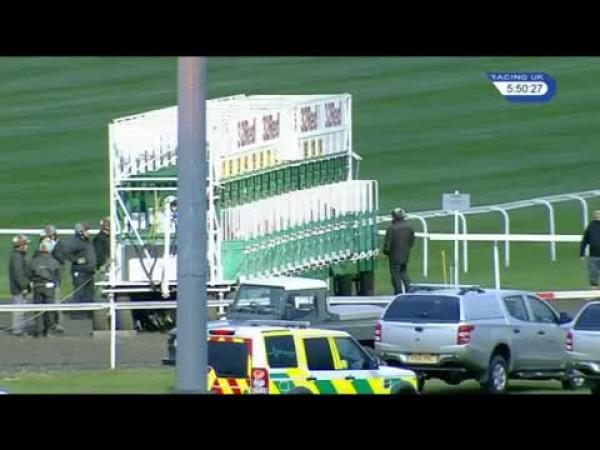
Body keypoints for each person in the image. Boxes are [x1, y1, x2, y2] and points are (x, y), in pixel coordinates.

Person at [28, 240, 62, 337]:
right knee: (49, 309)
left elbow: (29, 274)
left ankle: (39, 330)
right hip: (49, 287)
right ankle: (48, 330)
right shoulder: (54, 261)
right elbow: (58, 276)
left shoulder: (33, 261)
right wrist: (55, 283)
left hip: (37, 286)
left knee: (38, 309)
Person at [64, 222, 97, 318]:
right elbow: (65, 252)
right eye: (86, 231)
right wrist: (76, 260)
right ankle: (76, 313)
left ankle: (88, 312)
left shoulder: (86, 241)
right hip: (80, 272)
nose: (88, 232)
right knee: (79, 292)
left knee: (89, 293)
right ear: (80, 232)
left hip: (89, 272)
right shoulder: (75, 242)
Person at [40, 225, 66, 332]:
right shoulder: (43, 245)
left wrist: (51, 251)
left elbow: (62, 260)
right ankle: (48, 324)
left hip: (55, 278)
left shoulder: (59, 245)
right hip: (45, 278)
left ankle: (58, 323)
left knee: (56, 301)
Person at [383, 208, 415, 294]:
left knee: (395, 275)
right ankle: (409, 290)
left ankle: (398, 292)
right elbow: (411, 242)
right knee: (403, 273)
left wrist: (386, 252)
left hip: (394, 257)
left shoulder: (391, 229)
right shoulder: (409, 228)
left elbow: (387, 245)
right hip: (405, 255)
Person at [8, 235, 31, 336]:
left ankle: (21, 328)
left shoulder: (19, 256)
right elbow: (18, 274)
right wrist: (24, 287)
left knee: (22, 309)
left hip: (20, 287)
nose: (27, 246)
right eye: (26, 244)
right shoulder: (17, 257)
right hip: (19, 289)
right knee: (19, 309)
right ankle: (17, 330)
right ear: (21, 245)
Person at [580, 210, 600, 290]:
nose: (598, 216)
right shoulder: (591, 226)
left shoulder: (590, 226)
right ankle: (594, 289)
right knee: (593, 273)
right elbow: (585, 240)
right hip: (593, 255)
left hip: (595, 254)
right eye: (597, 214)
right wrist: (582, 253)